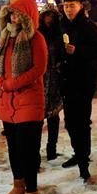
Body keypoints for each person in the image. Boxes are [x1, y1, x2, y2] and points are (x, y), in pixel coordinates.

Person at [0, 0, 48, 194]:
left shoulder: (36, 39)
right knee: (14, 149)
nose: (13, 19)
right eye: (10, 15)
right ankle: (18, 184)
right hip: (8, 103)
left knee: (28, 152)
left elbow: (39, 68)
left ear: (27, 17)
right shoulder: (6, 37)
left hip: (29, 103)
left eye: (17, 15)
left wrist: (11, 83)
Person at [59, 0, 97, 180]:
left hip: (83, 81)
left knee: (82, 122)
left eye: (72, 6)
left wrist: (77, 51)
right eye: (66, 6)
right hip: (66, 81)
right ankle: (79, 153)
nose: (69, 9)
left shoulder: (89, 27)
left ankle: (84, 160)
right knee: (70, 122)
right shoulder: (61, 26)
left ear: (81, 6)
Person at [39, 9, 64, 161]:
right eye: (47, 16)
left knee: (53, 116)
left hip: (54, 79)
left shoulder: (59, 34)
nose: (49, 19)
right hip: (39, 79)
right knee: (37, 118)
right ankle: (35, 151)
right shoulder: (38, 34)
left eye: (52, 16)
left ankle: (51, 148)